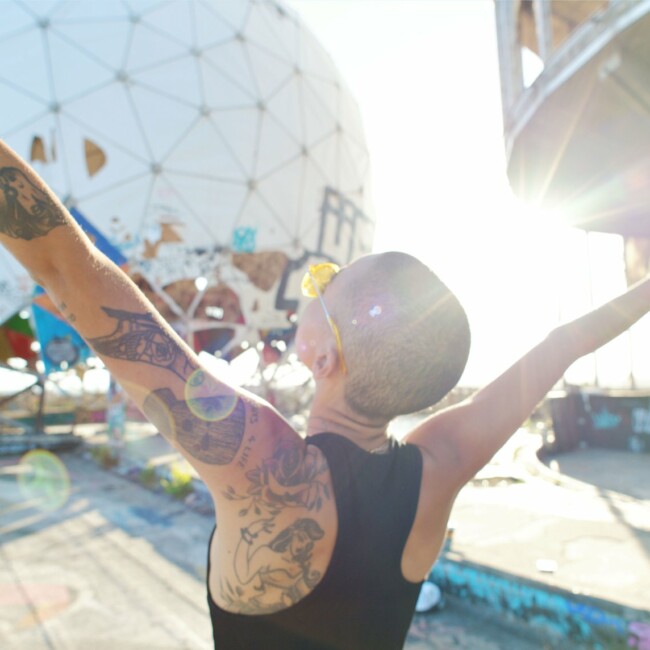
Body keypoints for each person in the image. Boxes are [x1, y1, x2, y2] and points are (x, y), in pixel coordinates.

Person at [1, 138, 650, 649]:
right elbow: (566, 344)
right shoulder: (441, 468)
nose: (313, 283)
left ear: (322, 352)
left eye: (326, 282)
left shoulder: (264, 460)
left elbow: (67, 266)